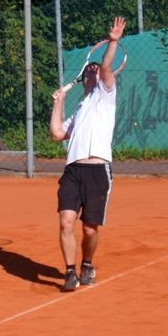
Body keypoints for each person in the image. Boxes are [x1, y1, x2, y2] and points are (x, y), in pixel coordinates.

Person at [49, 16, 126, 292]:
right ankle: (70, 272)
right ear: (83, 79)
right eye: (90, 69)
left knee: (90, 229)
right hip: (73, 170)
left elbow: (105, 66)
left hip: (97, 170)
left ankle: (88, 264)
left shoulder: (106, 95)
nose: (94, 70)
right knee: (65, 222)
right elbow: (57, 133)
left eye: (97, 69)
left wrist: (113, 41)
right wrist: (58, 103)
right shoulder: (79, 110)